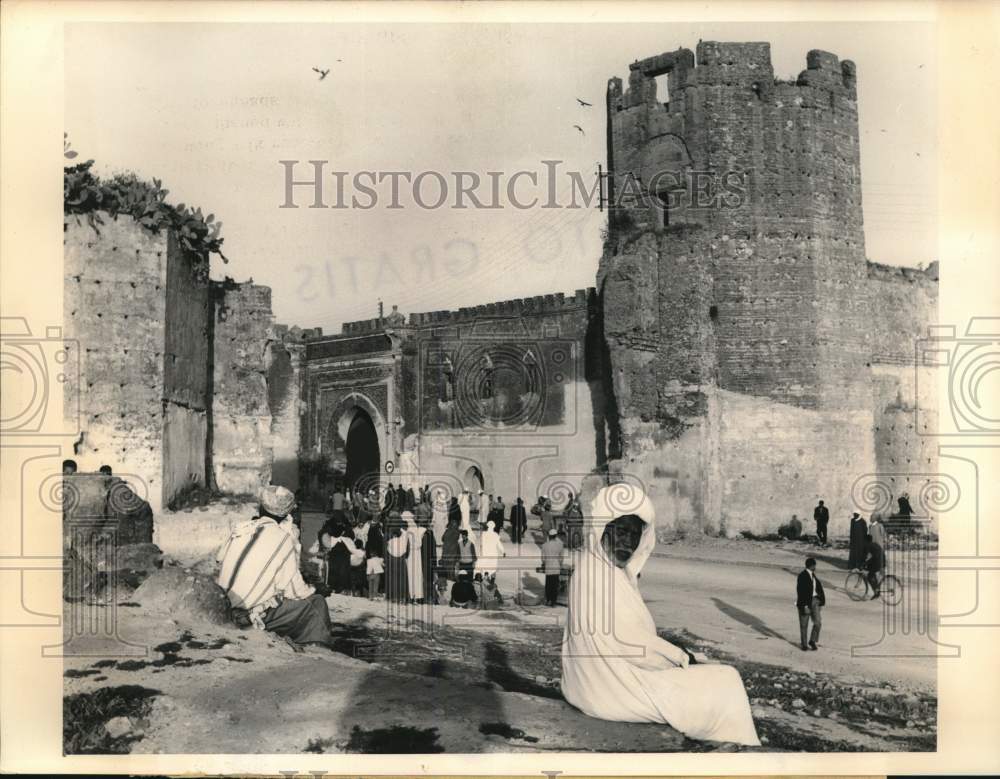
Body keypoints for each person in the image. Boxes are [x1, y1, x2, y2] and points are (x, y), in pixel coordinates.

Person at [561, 485, 760, 747]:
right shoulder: (598, 575)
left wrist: (678, 657)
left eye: (634, 535)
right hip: (611, 690)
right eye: (621, 531)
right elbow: (628, 644)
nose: (628, 543)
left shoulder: (601, 569)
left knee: (713, 675)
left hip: (602, 681)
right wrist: (679, 657)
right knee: (727, 680)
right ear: (602, 529)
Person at [215, 485, 332, 646]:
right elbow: (296, 592)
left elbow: (220, 558)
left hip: (223, 606)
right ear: (286, 514)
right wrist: (316, 589)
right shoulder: (284, 539)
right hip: (248, 615)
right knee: (316, 604)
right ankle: (317, 648)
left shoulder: (241, 529)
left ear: (261, 506)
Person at [796, 557, 825, 651]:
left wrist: (820, 601)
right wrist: (804, 606)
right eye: (814, 565)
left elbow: (819, 589)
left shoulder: (813, 576)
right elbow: (800, 592)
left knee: (818, 623)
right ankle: (804, 644)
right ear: (811, 566)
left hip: (815, 601)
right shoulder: (802, 576)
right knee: (804, 625)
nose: (815, 567)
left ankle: (812, 640)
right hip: (805, 603)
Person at [320, 519, 354, 594]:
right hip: (337, 556)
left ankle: (340, 588)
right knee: (336, 572)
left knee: (341, 572)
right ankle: (336, 587)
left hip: (341, 556)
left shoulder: (345, 538)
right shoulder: (338, 538)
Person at [384, 521, 410, 603]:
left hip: (391, 559)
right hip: (401, 559)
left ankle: (392, 597)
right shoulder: (406, 535)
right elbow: (408, 549)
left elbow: (386, 549)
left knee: (392, 578)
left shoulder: (389, 536)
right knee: (402, 578)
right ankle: (402, 597)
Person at [403, 511, 426, 604]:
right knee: (416, 574)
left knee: (410, 574)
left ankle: (411, 595)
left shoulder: (408, 529)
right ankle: (416, 596)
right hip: (416, 554)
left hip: (411, 554)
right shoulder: (415, 527)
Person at [540, 528, 564, 607]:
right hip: (556, 567)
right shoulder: (560, 545)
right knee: (555, 585)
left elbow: (543, 558)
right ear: (555, 536)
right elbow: (561, 557)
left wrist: (544, 563)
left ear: (549, 536)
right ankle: (553, 601)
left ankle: (548, 600)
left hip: (548, 567)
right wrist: (560, 564)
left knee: (548, 584)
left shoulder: (544, 545)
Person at [365, 519, 385, 600]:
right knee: (377, 578)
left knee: (370, 579)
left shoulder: (369, 536)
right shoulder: (379, 537)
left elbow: (367, 547)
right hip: (377, 558)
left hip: (370, 559)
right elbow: (381, 548)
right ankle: (375, 593)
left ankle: (370, 595)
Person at [866, 534, 885, 599]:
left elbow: (870, 557)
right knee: (874, 576)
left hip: (877, 562)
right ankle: (877, 591)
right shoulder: (876, 544)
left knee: (869, 576)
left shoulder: (869, 545)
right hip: (882, 561)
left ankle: (876, 592)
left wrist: (865, 564)